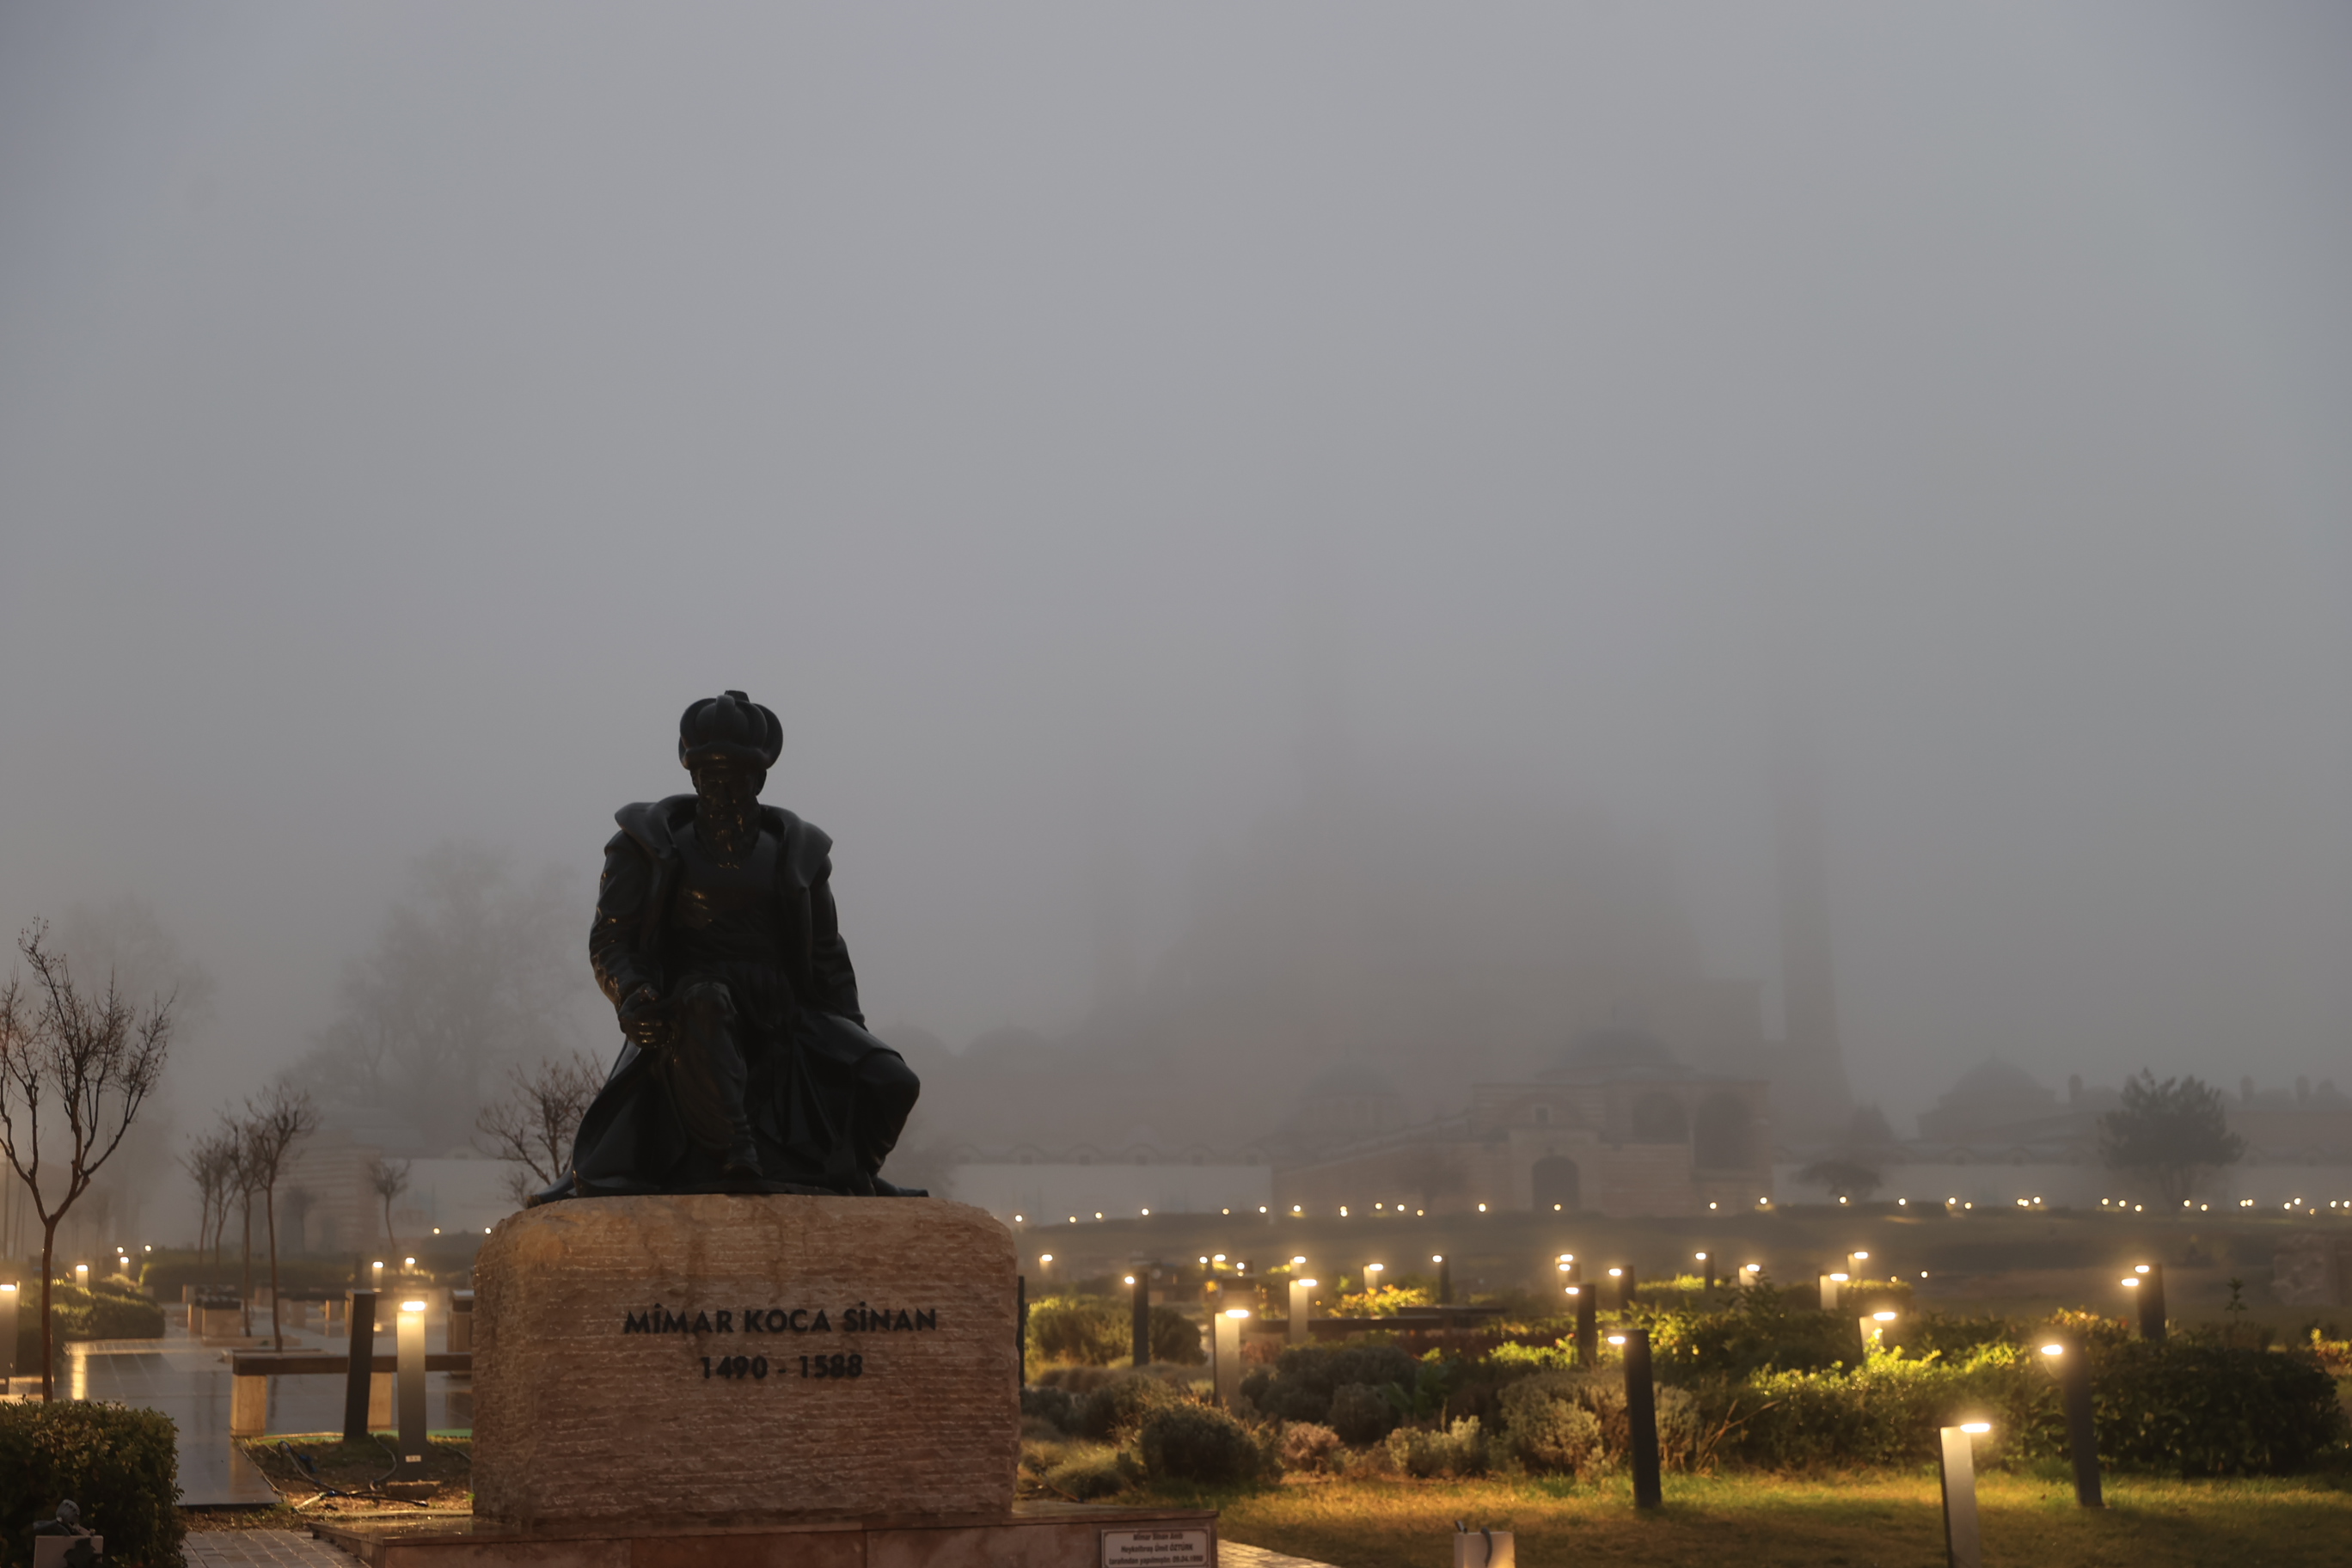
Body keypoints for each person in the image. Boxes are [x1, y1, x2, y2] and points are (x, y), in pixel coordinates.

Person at [536, 692, 922, 1201]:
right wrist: (632, 993)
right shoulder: (645, 844)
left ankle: (849, 1172)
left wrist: (849, 1033)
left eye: (734, 776)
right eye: (706, 775)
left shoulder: (798, 854)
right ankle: (736, 1155)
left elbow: (828, 958)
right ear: (692, 777)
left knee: (891, 1079)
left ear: (759, 779)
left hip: (785, 1007)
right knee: (707, 1002)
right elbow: (612, 939)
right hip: (694, 1006)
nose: (720, 789)